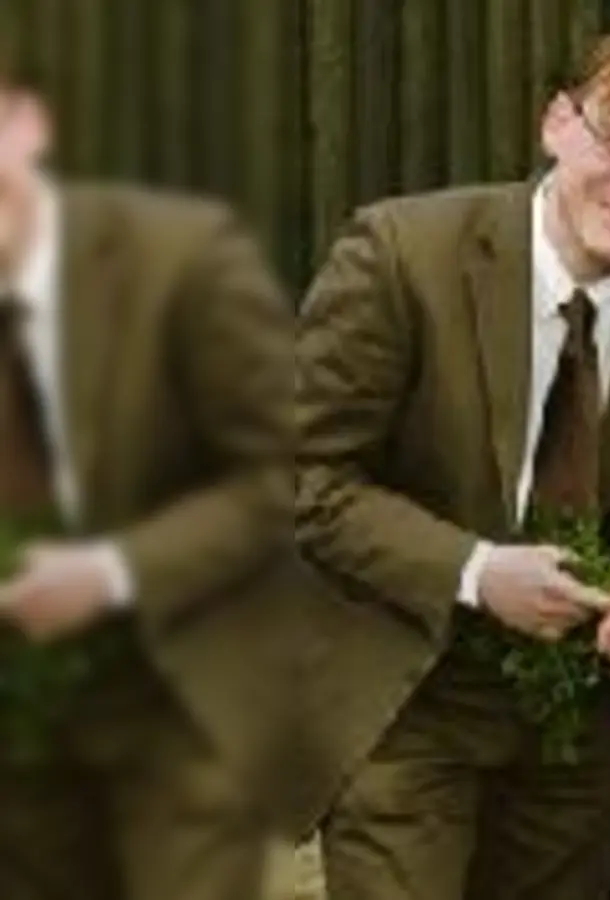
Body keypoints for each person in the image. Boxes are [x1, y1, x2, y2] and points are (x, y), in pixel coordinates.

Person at [294, 24, 610, 900]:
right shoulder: (398, 255)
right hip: (409, 694)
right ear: (558, 124)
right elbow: (303, 481)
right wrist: (478, 570)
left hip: (572, 724)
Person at [0, 60, 297, 900]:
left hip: (179, 707)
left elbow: (287, 469)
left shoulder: (186, 257)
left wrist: (112, 572)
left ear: (27, 124)